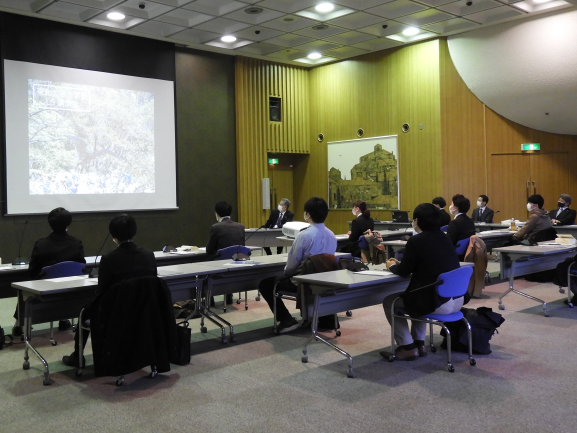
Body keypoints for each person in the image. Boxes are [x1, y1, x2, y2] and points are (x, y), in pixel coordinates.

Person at [62, 214, 157, 367]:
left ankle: (77, 357)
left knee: (85, 311)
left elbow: (102, 293)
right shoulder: (148, 255)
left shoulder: (108, 259)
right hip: (143, 311)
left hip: (116, 314)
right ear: (134, 231)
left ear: (112, 235)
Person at [380, 203, 461, 361]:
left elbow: (404, 271)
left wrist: (392, 266)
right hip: (456, 299)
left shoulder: (417, 241)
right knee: (420, 294)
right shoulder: (445, 238)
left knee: (390, 301)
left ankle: (407, 347)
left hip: (437, 303)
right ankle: (419, 344)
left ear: (417, 221)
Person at [258, 197, 337, 333]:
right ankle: (325, 319)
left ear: (307, 215)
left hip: (303, 282)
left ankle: (286, 320)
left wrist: (286, 274)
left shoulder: (304, 236)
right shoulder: (332, 235)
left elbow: (291, 267)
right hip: (325, 282)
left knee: (265, 284)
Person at [12, 207, 85, 336]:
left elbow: (32, 273)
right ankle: (63, 319)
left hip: (44, 296)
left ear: (50, 224)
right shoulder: (76, 244)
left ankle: (19, 324)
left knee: (25, 289)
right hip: (71, 294)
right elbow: (81, 268)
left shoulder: (41, 245)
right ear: (68, 225)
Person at [206, 201, 245, 304]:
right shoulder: (240, 226)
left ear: (217, 214)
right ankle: (229, 295)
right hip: (237, 264)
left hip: (220, 266)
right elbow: (242, 247)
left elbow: (209, 251)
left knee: (204, 267)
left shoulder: (216, 227)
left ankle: (209, 299)